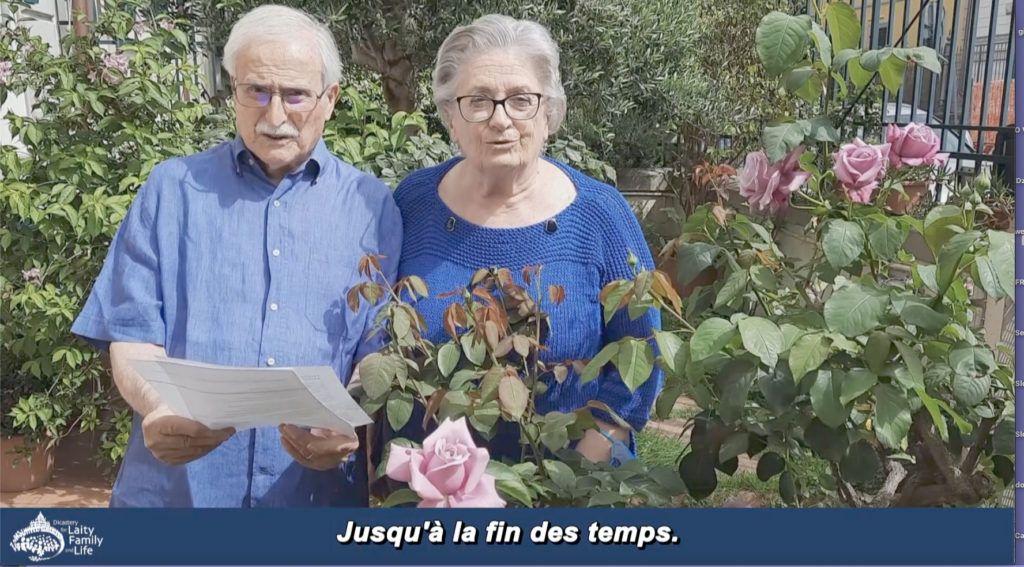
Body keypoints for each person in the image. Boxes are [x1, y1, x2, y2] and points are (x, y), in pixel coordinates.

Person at [71, 5, 401, 507]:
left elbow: (376, 350)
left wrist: (347, 416)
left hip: (311, 501)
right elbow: (132, 334)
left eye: (295, 95)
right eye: (257, 91)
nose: (274, 116)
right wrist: (159, 406)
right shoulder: (171, 190)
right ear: (233, 90)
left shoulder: (372, 207)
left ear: (330, 99)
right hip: (175, 500)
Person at [385, 14, 662, 465]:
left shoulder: (600, 214)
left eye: (521, 100)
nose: (501, 120)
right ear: (450, 116)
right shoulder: (412, 203)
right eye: (479, 101)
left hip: (569, 482)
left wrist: (579, 474)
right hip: (428, 482)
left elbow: (643, 352)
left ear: (548, 114)